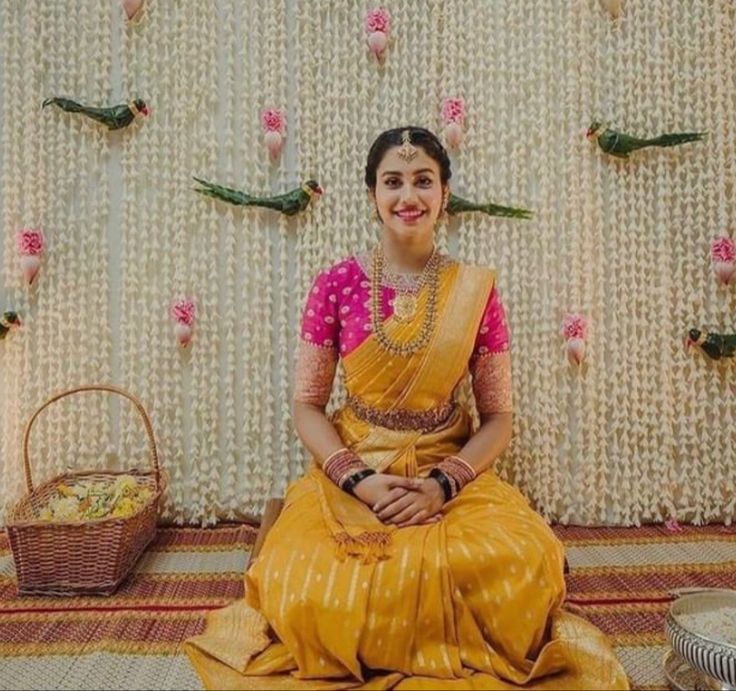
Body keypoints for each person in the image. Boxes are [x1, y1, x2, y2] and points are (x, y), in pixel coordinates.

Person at [185, 126, 629, 690]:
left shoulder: (476, 290)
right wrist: (361, 482)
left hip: (450, 470)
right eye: (393, 182)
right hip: (352, 468)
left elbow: (498, 419)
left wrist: (445, 484)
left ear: (444, 193)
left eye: (423, 180)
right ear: (372, 193)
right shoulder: (336, 283)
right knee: (299, 584)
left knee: (525, 564)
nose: (408, 196)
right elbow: (307, 406)